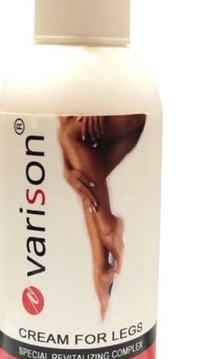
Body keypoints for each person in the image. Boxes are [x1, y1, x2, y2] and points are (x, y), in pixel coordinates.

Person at [58, 114, 146, 319]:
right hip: (102, 115)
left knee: (71, 138)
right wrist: (67, 169)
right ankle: (101, 268)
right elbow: (63, 118)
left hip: (129, 113)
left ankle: (110, 229)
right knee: (86, 182)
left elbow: (67, 131)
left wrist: (97, 103)